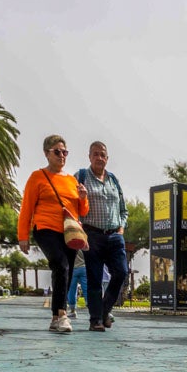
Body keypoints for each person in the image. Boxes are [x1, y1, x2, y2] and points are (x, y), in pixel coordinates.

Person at [18, 134, 89, 334]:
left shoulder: (71, 180)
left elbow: (81, 211)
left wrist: (83, 198)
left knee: (64, 272)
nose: (62, 155)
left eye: (64, 152)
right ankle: (62, 314)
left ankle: (55, 317)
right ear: (46, 153)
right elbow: (26, 209)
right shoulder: (37, 177)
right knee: (61, 264)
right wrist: (23, 235)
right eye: (57, 152)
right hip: (46, 229)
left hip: (69, 232)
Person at [75, 141, 129, 330]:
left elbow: (124, 210)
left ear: (107, 158)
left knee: (121, 272)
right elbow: (73, 206)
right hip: (93, 236)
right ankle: (95, 320)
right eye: (95, 154)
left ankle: (105, 310)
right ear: (89, 157)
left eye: (102, 155)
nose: (99, 158)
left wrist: (121, 228)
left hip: (115, 236)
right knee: (95, 279)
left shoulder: (114, 179)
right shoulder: (81, 177)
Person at [66, 251, 87, 320]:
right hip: (84, 268)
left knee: (71, 291)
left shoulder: (69, 243)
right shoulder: (84, 243)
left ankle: (73, 311)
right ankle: (93, 311)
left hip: (72, 269)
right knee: (87, 290)